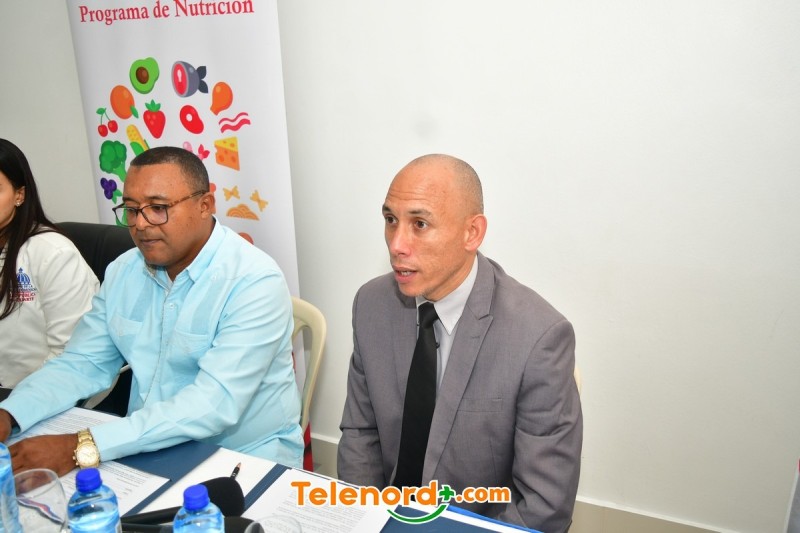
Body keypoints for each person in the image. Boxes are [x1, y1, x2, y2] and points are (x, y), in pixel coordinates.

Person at [0, 146, 303, 475]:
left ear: (205, 205)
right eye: (131, 210)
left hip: (242, 457)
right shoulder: (124, 271)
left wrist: (81, 446)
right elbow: (82, 363)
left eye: (158, 208)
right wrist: (11, 413)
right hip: (145, 445)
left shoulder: (253, 281)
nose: (140, 224)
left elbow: (213, 403)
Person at [337, 154, 582, 533]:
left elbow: (543, 505)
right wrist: (366, 521)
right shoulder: (371, 304)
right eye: (390, 220)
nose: (397, 244)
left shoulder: (538, 336)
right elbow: (360, 433)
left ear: (472, 233)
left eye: (420, 224)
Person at [0, 138, 99, 388]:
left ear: (19, 195)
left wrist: (22, 403)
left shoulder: (53, 253)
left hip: (43, 393)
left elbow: (71, 354)